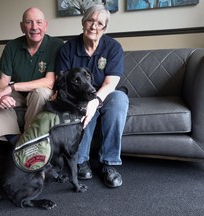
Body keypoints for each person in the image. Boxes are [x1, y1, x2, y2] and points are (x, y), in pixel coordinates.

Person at [55, 4, 129, 188]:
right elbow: (62, 83)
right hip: (78, 97)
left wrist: (95, 101)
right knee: (82, 108)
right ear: (83, 22)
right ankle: (81, 161)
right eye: (90, 21)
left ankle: (109, 164)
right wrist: (84, 103)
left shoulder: (113, 47)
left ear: (104, 28)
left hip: (105, 94)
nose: (94, 27)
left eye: (99, 23)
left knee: (120, 100)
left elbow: (110, 83)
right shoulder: (68, 49)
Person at [0, 7, 64, 143]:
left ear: (45, 25)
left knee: (40, 93)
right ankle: (14, 140)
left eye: (39, 22)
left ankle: (30, 139)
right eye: (29, 22)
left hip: (41, 93)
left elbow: (49, 82)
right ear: (22, 27)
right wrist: (1, 93)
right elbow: (4, 79)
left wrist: (13, 87)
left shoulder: (56, 45)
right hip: (20, 96)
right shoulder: (11, 46)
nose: (34, 27)